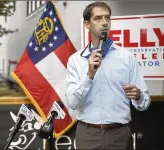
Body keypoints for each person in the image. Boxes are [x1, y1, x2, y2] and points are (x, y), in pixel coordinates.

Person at [65, 2, 151, 149]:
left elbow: (145, 102)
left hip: (119, 134)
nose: (104, 23)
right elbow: (72, 103)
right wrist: (89, 74)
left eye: (107, 18)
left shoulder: (126, 57)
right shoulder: (76, 60)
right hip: (87, 134)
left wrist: (138, 96)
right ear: (87, 24)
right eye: (98, 18)